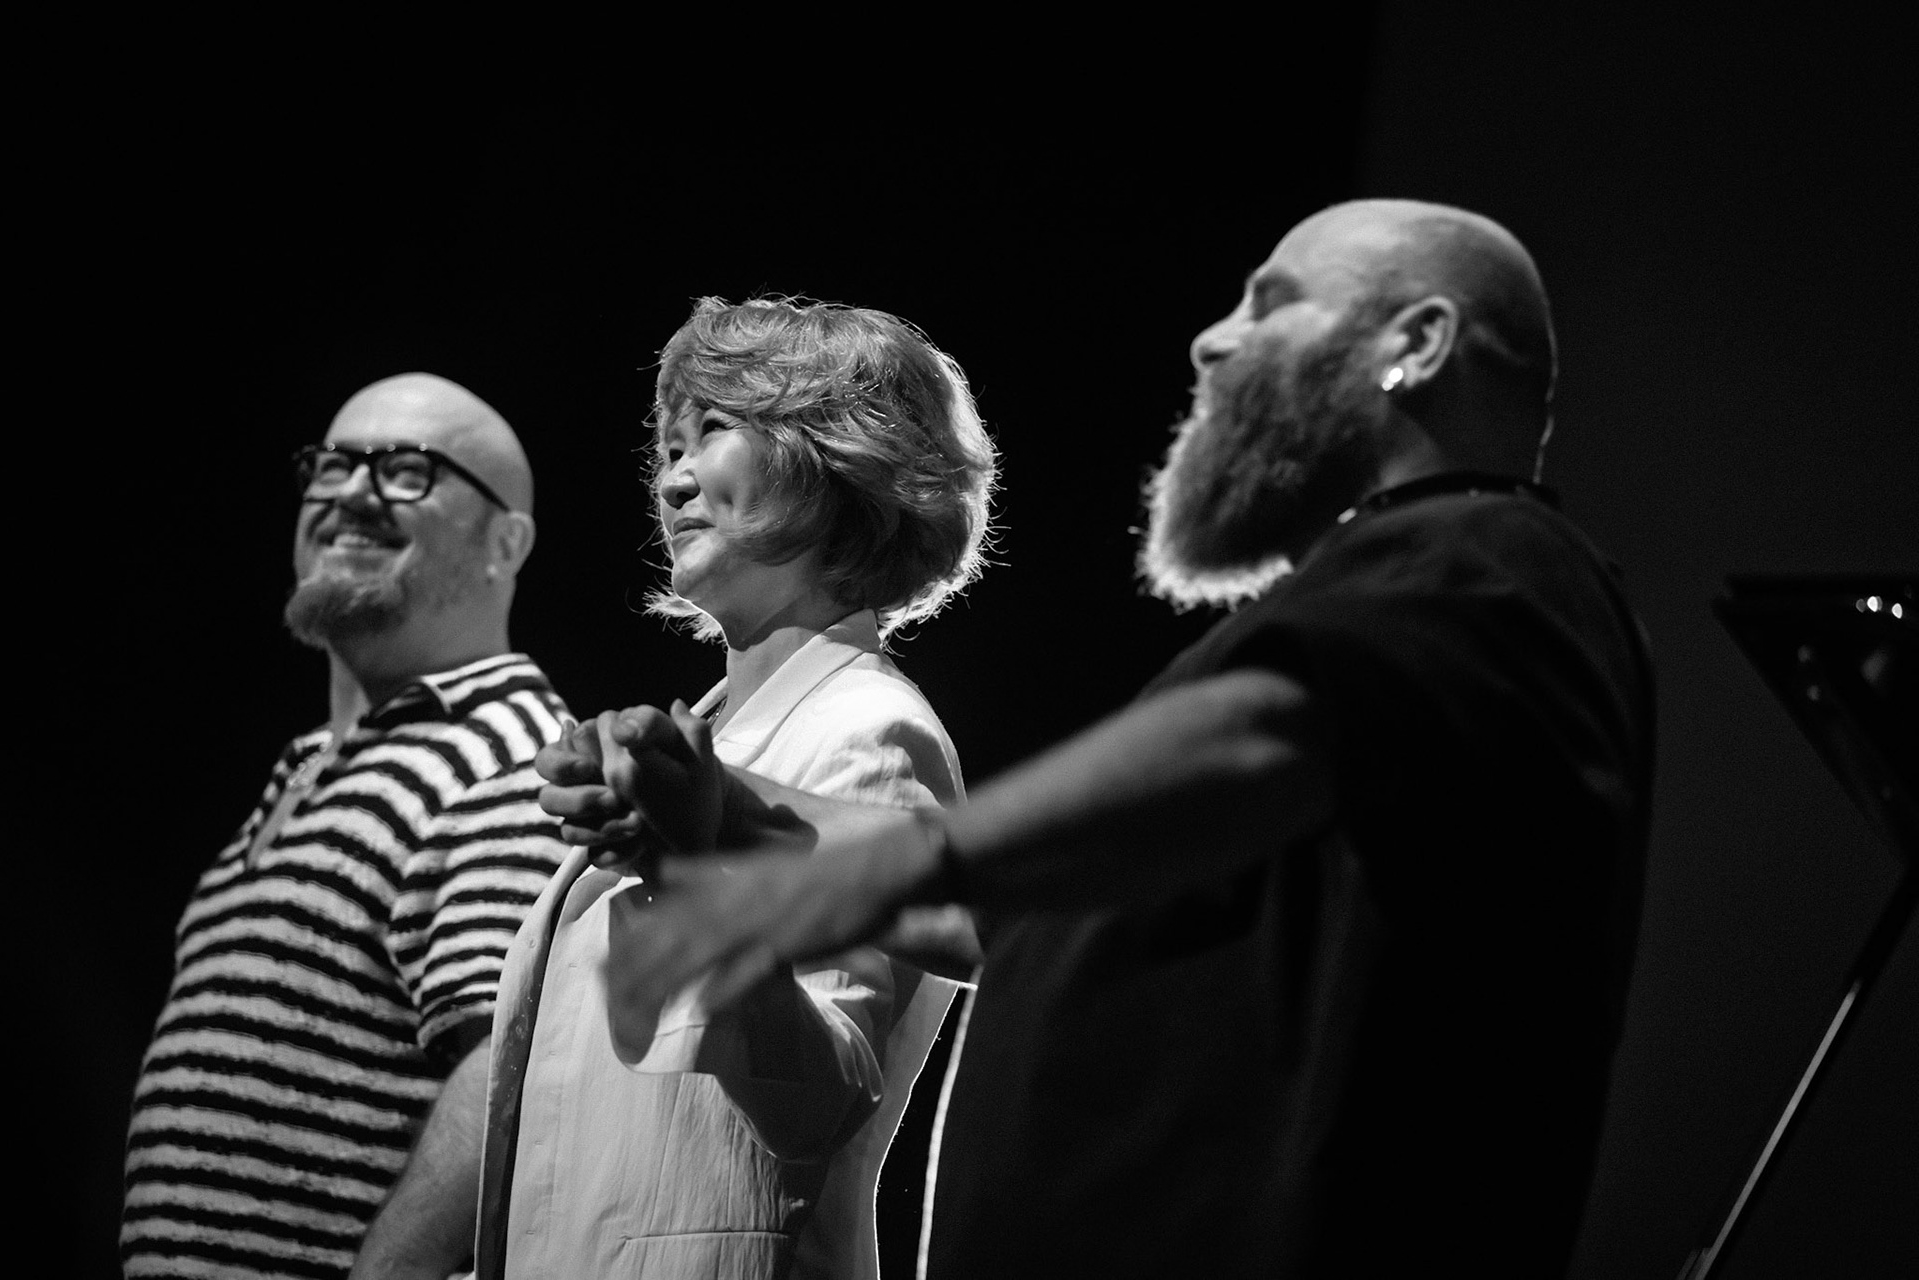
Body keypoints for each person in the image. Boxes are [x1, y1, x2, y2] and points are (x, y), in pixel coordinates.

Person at [561, 201, 1656, 1277]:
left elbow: (1249, 734)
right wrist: (732, 814)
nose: (1210, 337)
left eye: (1269, 305)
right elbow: (985, 903)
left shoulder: (1492, 557)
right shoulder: (1397, 608)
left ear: (1416, 344)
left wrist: (855, 855)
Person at [478, 297, 997, 1279]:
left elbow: (817, 1094)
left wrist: (694, 869)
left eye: (714, 431)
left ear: (846, 455)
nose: (672, 477)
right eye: (669, 444)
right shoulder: (712, 735)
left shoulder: (865, 728)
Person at [121, 374, 571, 1280]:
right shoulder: (308, 766)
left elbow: (501, 1076)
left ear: (505, 542)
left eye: (409, 470)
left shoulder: (510, 755)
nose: (352, 493)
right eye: (333, 465)